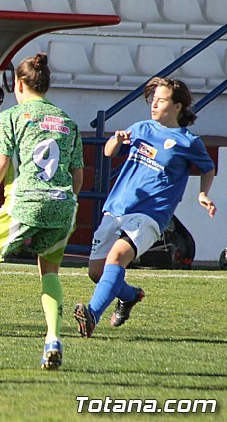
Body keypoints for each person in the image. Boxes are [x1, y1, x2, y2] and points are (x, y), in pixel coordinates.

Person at [0, 53, 83, 370]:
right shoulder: (67, 121)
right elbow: (78, 176)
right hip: (64, 205)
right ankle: (53, 339)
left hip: (26, 201)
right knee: (50, 270)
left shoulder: (12, 117)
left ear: (18, 83)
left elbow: (1, 161)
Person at [74, 77, 216, 338]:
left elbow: (208, 168)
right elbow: (108, 152)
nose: (154, 104)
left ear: (178, 106)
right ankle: (129, 296)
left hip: (150, 214)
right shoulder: (142, 128)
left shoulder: (188, 142)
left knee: (116, 258)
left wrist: (203, 194)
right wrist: (117, 140)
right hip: (118, 207)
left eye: (161, 100)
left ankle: (91, 314)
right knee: (97, 272)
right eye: (153, 99)